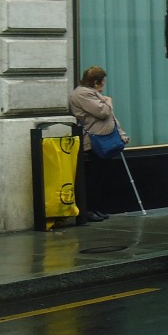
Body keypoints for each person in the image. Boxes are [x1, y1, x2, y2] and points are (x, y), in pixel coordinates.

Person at [68, 66, 128, 223]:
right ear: (96, 82)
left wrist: (121, 134)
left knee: (103, 175)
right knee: (95, 176)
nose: (104, 84)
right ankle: (89, 209)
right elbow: (104, 112)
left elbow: (111, 118)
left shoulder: (94, 94)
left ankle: (98, 208)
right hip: (95, 141)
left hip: (106, 138)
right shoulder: (82, 94)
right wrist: (107, 100)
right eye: (103, 81)